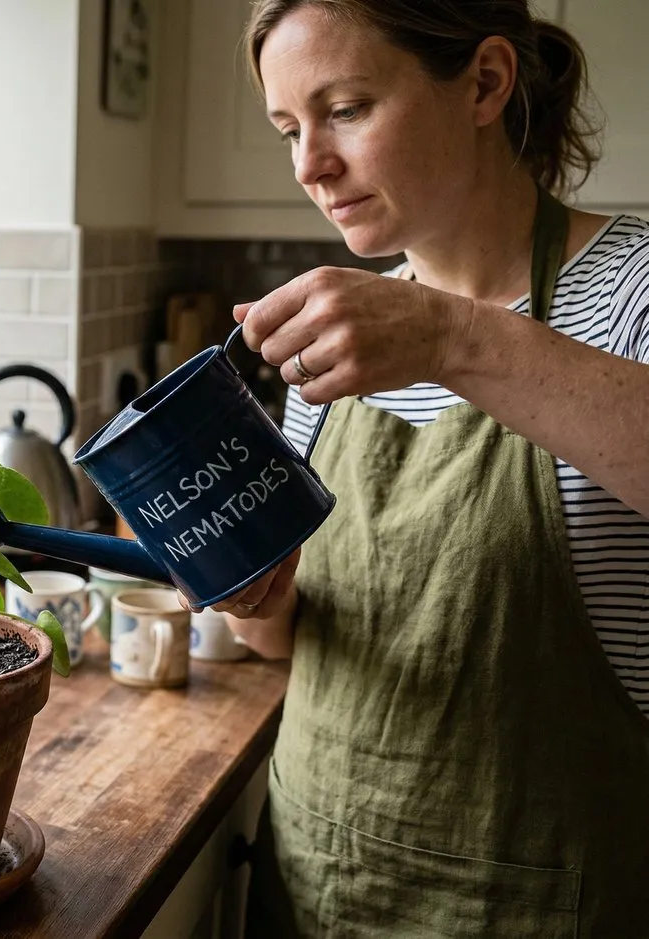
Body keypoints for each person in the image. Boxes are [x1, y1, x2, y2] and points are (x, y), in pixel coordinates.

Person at [207, 1, 649, 935]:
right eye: (290, 128)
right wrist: (250, 592)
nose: (309, 165)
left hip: (543, 901)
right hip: (317, 882)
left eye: (347, 108)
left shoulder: (632, 289)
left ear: (485, 82)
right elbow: (291, 640)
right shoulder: (332, 336)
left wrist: (450, 335)